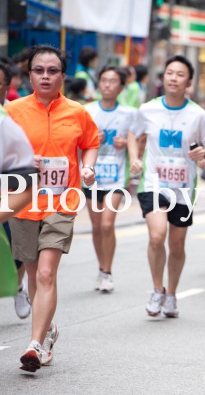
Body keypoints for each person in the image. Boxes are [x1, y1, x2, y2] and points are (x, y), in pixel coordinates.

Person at [5, 45, 99, 372]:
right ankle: (46, 331)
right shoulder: (12, 111)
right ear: (29, 74)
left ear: (63, 75)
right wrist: (19, 162)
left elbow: (90, 144)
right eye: (39, 70)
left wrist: (87, 169)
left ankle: (35, 345)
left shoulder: (78, 112)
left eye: (52, 71)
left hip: (63, 199)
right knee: (33, 274)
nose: (46, 76)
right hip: (22, 201)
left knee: (47, 271)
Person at [130, 55, 205, 318]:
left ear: (188, 82)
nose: (174, 78)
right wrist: (135, 158)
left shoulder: (199, 115)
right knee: (157, 235)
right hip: (153, 183)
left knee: (177, 245)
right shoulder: (147, 109)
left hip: (183, 187)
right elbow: (134, 135)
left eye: (180, 74)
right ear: (163, 77)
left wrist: (204, 152)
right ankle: (157, 288)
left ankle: (171, 295)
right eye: (170, 73)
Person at [0, 58, 33, 324]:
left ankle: (16, 285)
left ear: (7, 89)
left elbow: (26, 178)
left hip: (4, 198)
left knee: (17, 249)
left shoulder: (6, 116)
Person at [83, 65, 138, 293]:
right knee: (96, 227)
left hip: (116, 176)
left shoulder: (129, 113)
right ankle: (101, 268)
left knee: (107, 224)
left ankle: (107, 271)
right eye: (103, 80)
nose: (107, 84)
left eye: (112, 81)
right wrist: (91, 139)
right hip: (91, 176)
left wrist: (126, 145)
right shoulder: (87, 111)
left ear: (121, 87)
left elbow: (137, 141)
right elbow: (76, 141)